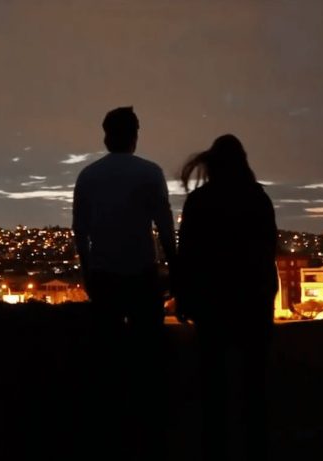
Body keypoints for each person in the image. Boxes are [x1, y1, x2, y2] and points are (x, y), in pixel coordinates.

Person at [72, 106, 176, 460]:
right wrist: (174, 268)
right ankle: (150, 427)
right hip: (141, 275)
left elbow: (80, 233)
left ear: (106, 136)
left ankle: (110, 428)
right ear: (135, 136)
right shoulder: (150, 173)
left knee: (108, 357)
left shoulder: (88, 176)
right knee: (148, 355)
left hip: (103, 276)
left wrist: (88, 274)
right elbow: (165, 227)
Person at [176, 134, 278, 461]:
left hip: (212, 304)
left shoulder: (199, 202)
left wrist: (184, 298)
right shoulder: (258, 199)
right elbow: (267, 252)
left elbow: (187, 255)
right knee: (254, 387)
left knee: (213, 387)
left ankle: (214, 448)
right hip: (252, 302)